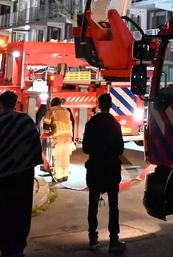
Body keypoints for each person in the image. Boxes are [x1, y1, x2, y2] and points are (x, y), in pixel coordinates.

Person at [0, 91, 42, 257]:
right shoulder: (26, 120)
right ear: (15, 103)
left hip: (1, 178)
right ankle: (19, 248)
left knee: (3, 213)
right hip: (23, 176)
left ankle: (6, 249)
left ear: (1, 104)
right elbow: (36, 147)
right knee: (22, 211)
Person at [83, 93, 126, 253]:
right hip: (111, 168)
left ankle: (93, 239)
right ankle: (113, 240)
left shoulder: (91, 123)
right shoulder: (115, 124)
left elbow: (86, 148)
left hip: (94, 167)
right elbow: (120, 149)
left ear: (99, 105)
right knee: (113, 205)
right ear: (110, 105)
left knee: (93, 204)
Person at [43, 97, 74, 183]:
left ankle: (58, 177)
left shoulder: (51, 110)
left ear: (52, 104)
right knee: (65, 155)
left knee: (58, 155)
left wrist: (46, 133)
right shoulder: (66, 110)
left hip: (58, 135)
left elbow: (46, 123)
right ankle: (65, 175)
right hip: (68, 135)